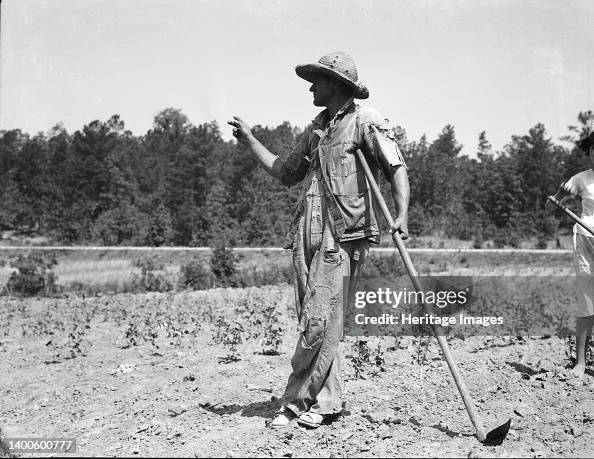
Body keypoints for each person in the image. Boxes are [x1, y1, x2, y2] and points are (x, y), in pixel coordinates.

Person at [228, 51, 410, 428]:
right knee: (316, 321)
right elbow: (284, 171)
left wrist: (402, 214)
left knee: (320, 320)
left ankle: (297, 402)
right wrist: (250, 141)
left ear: (338, 84)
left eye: (318, 79)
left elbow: (395, 168)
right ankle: (326, 402)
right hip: (305, 232)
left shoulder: (366, 121)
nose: (311, 86)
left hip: (343, 233)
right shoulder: (315, 129)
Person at [546, 130, 594, 377]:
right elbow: (549, 208)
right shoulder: (582, 179)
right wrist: (558, 197)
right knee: (587, 305)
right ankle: (580, 363)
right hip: (586, 244)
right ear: (589, 153)